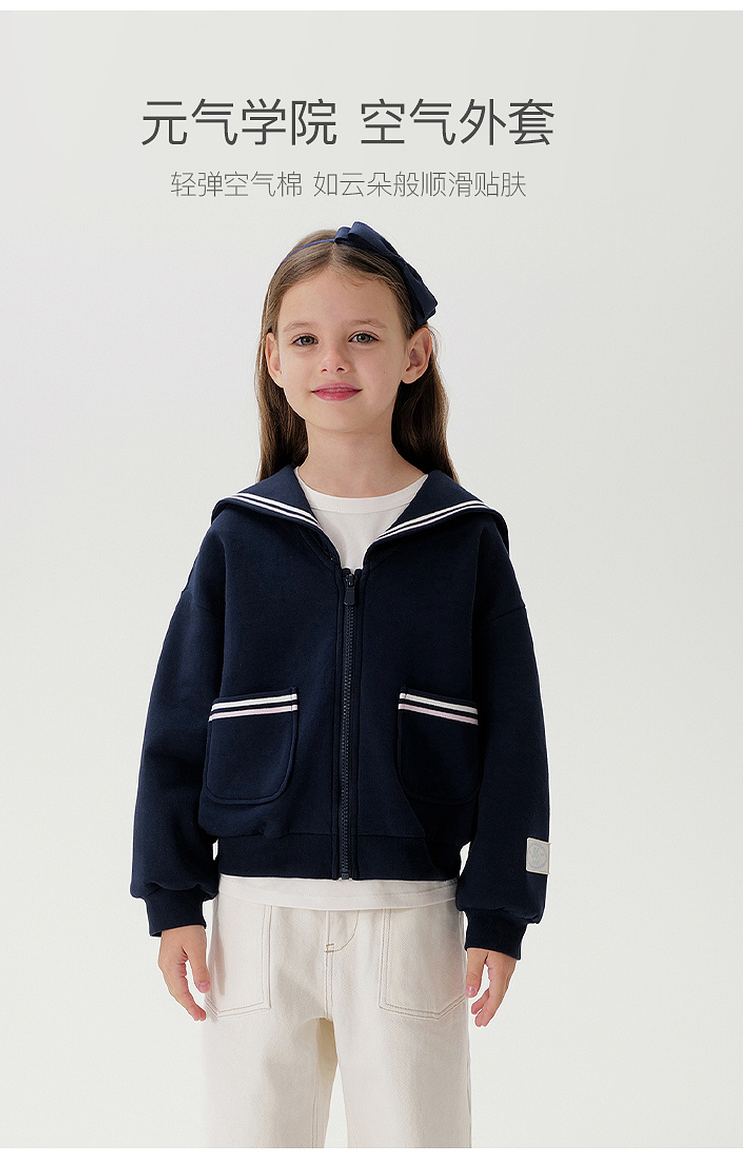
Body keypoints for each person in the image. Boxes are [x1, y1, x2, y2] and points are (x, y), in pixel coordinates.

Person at [131, 221, 550, 1149]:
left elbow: (517, 739)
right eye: (306, 337)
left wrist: (501, 913)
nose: (334, 359)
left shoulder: (466, 541)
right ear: (273, 359)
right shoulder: (240, 537)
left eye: (363, 335)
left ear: (414, 354)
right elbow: (176, 723)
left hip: (412, 923)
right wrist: (171, 899)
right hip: (256, 923)